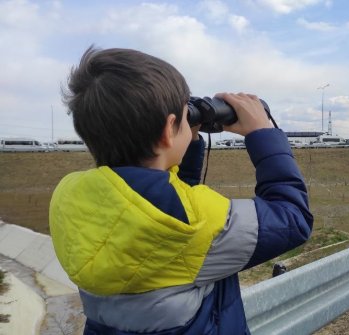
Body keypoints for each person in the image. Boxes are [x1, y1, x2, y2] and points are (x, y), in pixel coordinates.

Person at [49, 46, 313, 334]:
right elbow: (292, 219)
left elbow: (156, 206)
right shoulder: (194, 219)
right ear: (168, 129)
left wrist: (189, 139)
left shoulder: (70, 197)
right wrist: (263, 135)